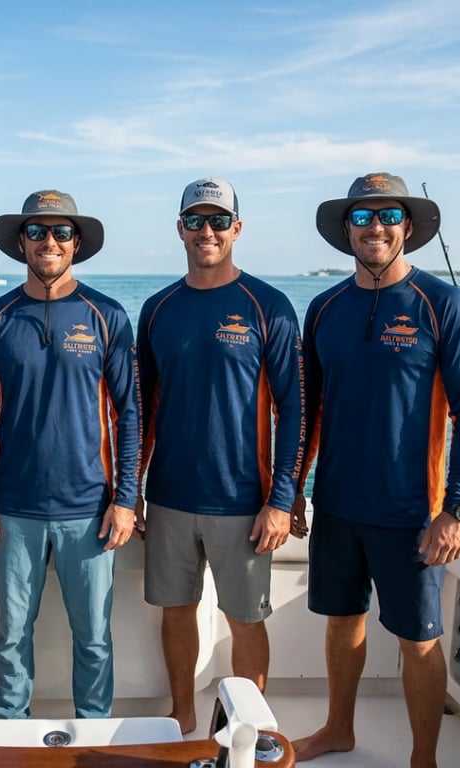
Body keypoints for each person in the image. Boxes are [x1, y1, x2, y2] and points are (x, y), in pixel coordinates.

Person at [290, 173, 460, 768]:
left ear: (407, 227)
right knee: (341, 619)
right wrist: (294, 490)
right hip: (338, 503)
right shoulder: (324, 308)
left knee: (419, 638)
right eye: (362, 217)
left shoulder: (443, 303)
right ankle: (338, 729)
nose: (375, 227)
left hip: (413, 513)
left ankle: (422, 758)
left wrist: (456, 510)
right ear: (346, 229)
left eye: (388, 216)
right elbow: (309, 410)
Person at [137, 177, 305, 734]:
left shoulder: (269, 306)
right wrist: (129, 490)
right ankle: (183, 718)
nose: (205, 231)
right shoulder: (158, 308)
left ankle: (246, 731)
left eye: (217, 221)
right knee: (176, 612)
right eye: (194, 221)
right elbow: (141, 408)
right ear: (179, 229)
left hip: (243, 502)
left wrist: (281, 500)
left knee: (246, 620)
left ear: (236, 228)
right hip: (167, 497)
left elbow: (295, 412)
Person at [0, 190, 140, 719]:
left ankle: (93, 735)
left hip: (90, 509)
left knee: (94, 638)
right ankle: (9, 734)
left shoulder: (106, 315)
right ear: (21, 242)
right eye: (37, 231)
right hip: (12, 509)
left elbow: (130, 414)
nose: (49, 241)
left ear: (77, 243)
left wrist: (127, 498)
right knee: (11, 636)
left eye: (61, 232)